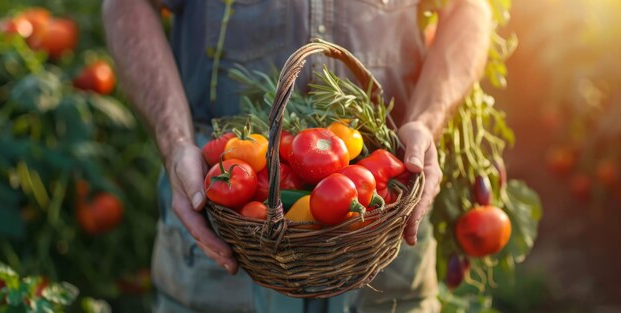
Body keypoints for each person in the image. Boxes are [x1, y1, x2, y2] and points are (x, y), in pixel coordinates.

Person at [102, 0, 492, 312]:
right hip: (220, 202)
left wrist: (426, 120)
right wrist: (176, 142)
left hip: (384, 204)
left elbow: (469, 8)